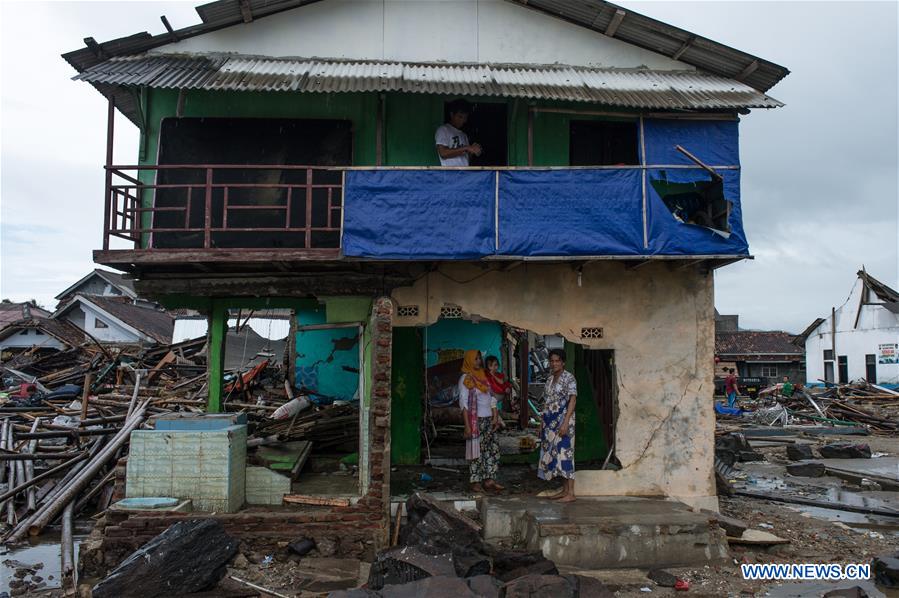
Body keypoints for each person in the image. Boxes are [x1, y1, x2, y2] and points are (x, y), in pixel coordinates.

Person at [458, 350, 504, 493]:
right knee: (476, 452)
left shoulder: (484, 376)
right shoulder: (466, 378)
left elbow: (492, 398)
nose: (479, 361)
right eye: (475, 359)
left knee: (492, 450)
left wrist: (495, 416)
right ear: (469, 361)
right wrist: (467, 426)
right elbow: (463, 404)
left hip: (489, 419)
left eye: (479, 358)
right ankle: (475, 482)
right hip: (475, 421)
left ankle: (489, 480)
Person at [538, 349, 577, 502]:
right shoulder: (549, 380)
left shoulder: (569, 378)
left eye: (557, 361)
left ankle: (571, 493)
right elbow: (546, 402)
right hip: (549, 422)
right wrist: (542, 421)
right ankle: (564, 490)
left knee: (566, 454)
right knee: (556, 455)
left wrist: (566, 422)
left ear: (563, 362)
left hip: (563, 422)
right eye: (552, 361)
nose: (554, 363)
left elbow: (572, 400)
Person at [435, 99, 482, 167]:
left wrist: (473, 150)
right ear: (452, 114)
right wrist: (466, 148)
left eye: (465, 118)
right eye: (460, 117)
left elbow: (466, 158)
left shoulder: (463, 135)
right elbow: (443, 153)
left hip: (464, 174)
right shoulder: (443, 130)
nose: (463, 120)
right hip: (450, 173)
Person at [484, 355, 511, 422]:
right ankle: (499, 421)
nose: (494, 367)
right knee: (489, 404)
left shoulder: (499, 374)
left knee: (492, 401)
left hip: (499, 393)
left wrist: (493, 375)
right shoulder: (486, 374)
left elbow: (501, 382)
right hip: (491, 394)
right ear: (487, 367)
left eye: (495, 365)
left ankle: (496, 418)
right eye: (491, 366)